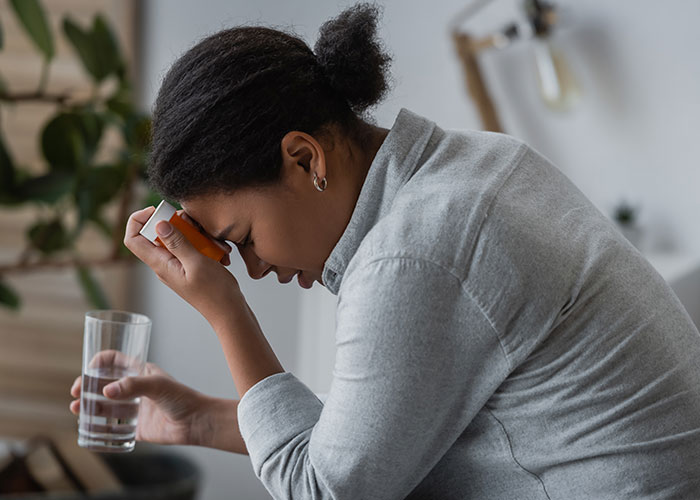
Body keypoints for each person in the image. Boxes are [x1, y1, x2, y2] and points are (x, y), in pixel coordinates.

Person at [70, 4, 700, 499]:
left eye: (243, 240)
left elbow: (324, 489)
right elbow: (377, 444)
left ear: (304, 158)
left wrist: (226, 311)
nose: (255, 268)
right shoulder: (474, 163)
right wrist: (198, 420)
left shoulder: (414, 253)